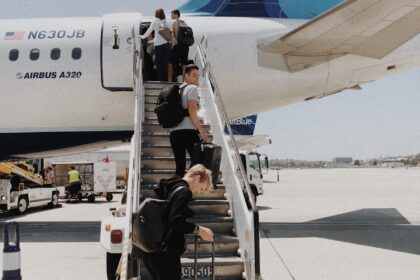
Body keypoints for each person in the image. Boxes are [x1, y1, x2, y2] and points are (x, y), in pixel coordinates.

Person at [143, 164, 214, 280]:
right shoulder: (184, 192)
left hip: (152, 251)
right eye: (202, 188)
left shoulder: (171, 184)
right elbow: (175, 220)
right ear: (197, 178)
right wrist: (199, 230)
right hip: (165, 254)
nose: (199, 192)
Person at [170, 64, 208, 177]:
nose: (196, 78)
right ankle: (190, 186)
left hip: (174, 133)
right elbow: (192, 111)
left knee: (179, 168)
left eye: (198, 76)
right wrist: (201, 130)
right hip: (188, 132)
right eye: (193, 75)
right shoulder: (192, 88)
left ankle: (178, 189)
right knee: (198, 163)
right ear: (186, 76)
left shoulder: (178, 90)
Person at [140, 8, 172, 82]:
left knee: (159, 64)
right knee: (166, 64)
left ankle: (161, 80)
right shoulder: (167, 21)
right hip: (167, 45)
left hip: (159, 46)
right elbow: (169, 32)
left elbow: (149, 30)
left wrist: (142, 36)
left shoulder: (155, 21)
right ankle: (166, 80)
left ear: (156, 14)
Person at [168, 9, 189, 82]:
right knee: (184, 65)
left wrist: (172, 45)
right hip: (185, 46)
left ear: (176, 15)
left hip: (177, 46)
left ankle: (170, 81)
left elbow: (172, 35)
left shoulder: (174, 22)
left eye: (172, 14)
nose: (171, 16)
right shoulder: (184, 22)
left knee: (170, 63)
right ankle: (185, 81)